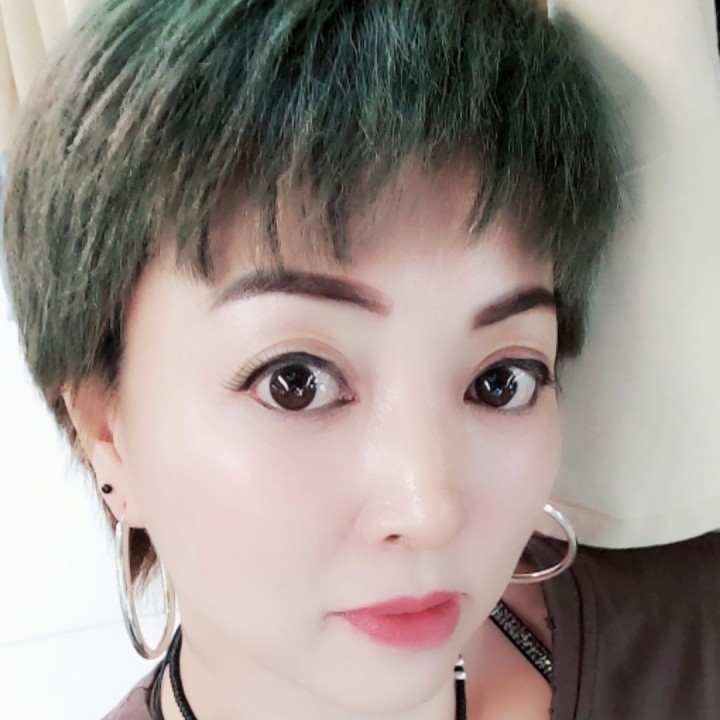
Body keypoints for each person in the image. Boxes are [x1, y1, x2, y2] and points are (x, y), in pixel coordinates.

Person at [3, 1, 720, 719]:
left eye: (500, 382)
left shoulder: (689, 633)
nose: (428, 509)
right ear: (106, 433)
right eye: (296, 383)